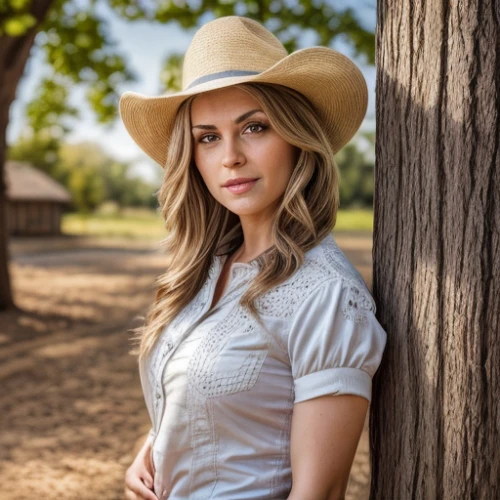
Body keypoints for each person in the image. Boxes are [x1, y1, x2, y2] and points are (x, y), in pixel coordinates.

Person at [120, 15, 387, 500]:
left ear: (296, 137)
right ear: (192, 156)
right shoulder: (207, 270)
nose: (230, 157)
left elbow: (319, 493)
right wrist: (158, 443)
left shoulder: (326, 296)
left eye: (254, 127)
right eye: (208, 137)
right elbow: (216, 397)